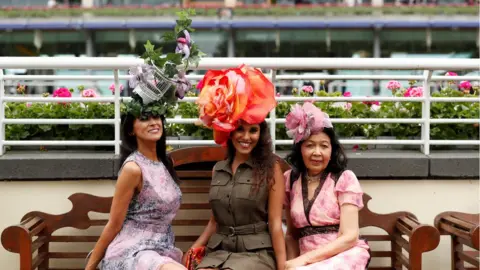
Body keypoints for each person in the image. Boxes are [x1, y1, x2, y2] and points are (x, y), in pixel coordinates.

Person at [85, 11, 204, 270]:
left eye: (157, 117)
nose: (153, 122)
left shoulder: (164, 162)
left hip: (161, 249)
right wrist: (91, 265)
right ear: (131, 129)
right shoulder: (133, 168)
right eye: (145, 118)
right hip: (134, 252)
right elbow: (114, 223)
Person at [184, 65, 286, 270]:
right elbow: (215, 221)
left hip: (255, 255)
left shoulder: (271, 168)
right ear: (230, 132)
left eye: (253, 131)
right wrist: (194, 248)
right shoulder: (218, 169)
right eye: (240, 129)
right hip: (219, 251)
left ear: (261, 134)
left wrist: (282, 266)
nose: (246, 137)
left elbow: (275, 224)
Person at [282, 102, 371, 270]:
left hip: (343, 256)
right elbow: (292, 235)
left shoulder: (344, 179)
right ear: (300, 149)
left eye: (324, 146)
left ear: (332, 151)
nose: (317, 152)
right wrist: (291, 264)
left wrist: (305, 260)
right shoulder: (290, 180)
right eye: (310, 145)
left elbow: (350, 236)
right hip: (306, 262)